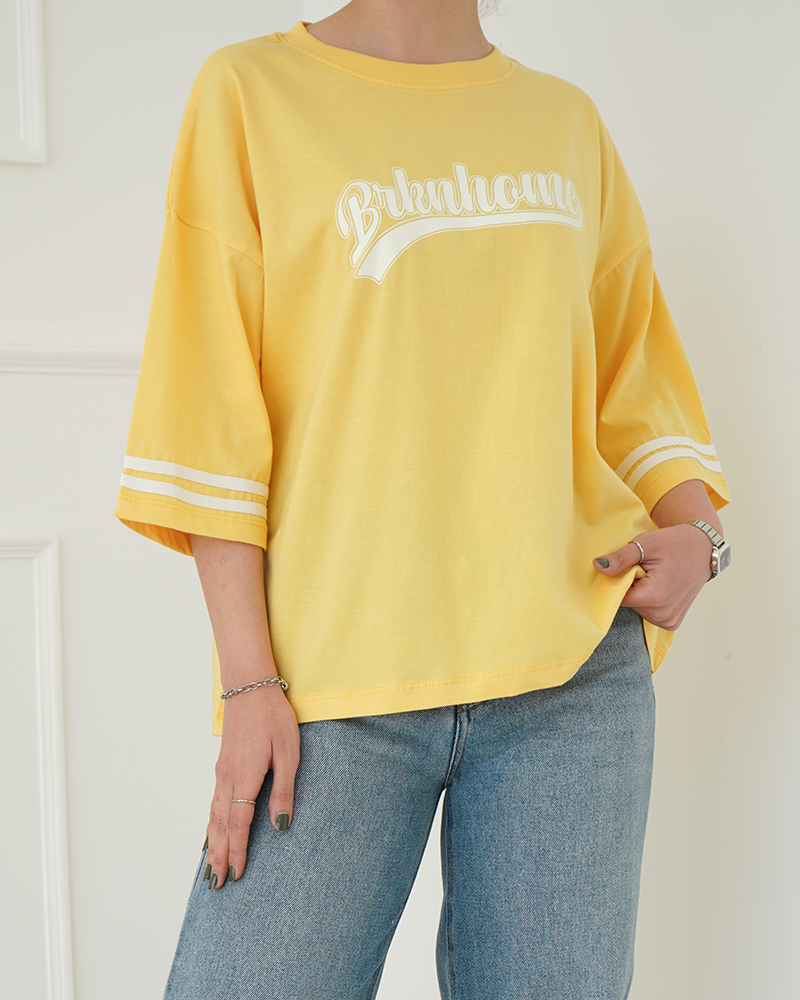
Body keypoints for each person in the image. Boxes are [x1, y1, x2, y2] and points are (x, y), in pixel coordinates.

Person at [116, 2, 730, 997]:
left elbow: (630, 367)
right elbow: (210, 403)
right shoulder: (250, 94)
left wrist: (698, 530)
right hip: (327, 690)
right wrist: (247, 680)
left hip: (571, 677)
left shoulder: (564, 121)